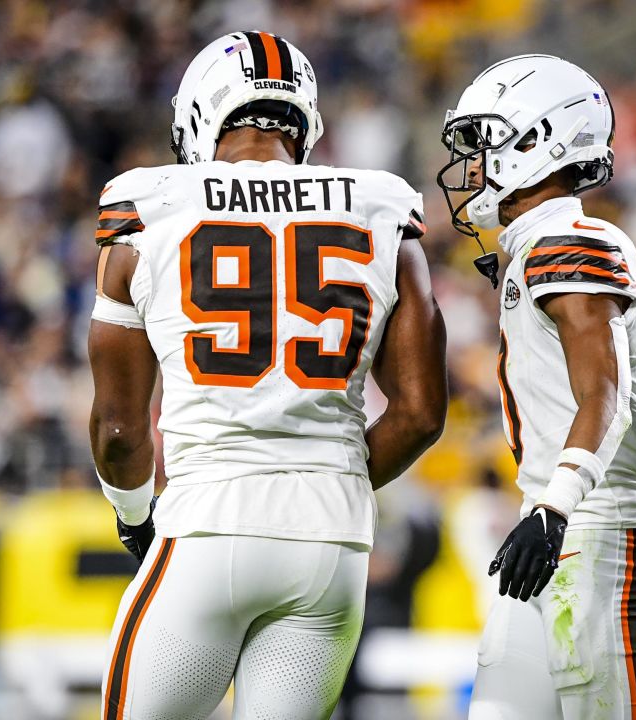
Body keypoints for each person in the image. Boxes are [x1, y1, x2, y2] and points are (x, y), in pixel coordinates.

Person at [87, 31, 447, 720]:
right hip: (334, 546)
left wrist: (134, 517)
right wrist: (316, 476)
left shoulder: (149, 204)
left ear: (202, 113)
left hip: (208, 522)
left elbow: (119, 426)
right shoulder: (378, 205)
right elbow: (423, 413)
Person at [437, 55, 636, 719]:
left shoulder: (569, 241)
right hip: (552, 523)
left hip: (596, 528)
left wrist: (557, 505)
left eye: (486, 144)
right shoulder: (536, 247)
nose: (475, 167)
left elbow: (604, 393)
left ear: (537, 140)